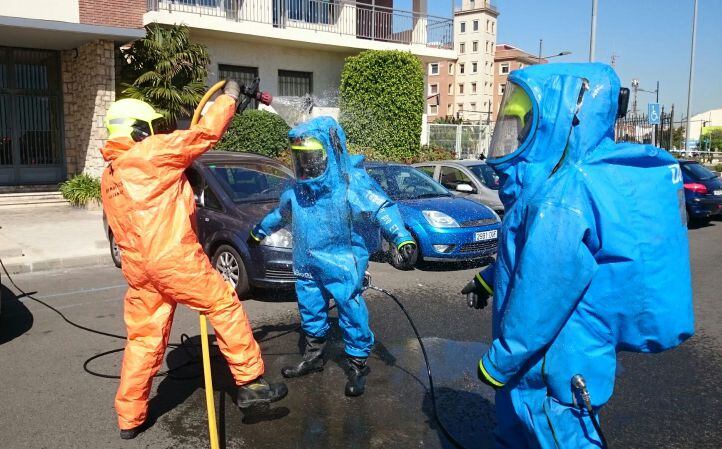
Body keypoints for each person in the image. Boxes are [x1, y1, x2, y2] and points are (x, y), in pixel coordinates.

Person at [461, 63, 694, 448]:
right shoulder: (556, 184)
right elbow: (529, 260)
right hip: (549, 365)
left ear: (558, 118)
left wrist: (499, 361)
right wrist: (488, 278)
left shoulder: (561, 195)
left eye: (524, 123)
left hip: (548, 369)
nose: (514, 133)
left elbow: (542, 293)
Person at [101, 82, 287, 440]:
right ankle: (250, 383)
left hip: (139, 269)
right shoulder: (151, 153)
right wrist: (229, 96)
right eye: (150, 127)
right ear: (140, 130)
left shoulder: (110, 176)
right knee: (223, 305)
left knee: (142, 339)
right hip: (173, 259)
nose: (156, 132)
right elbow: (204, 133)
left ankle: (130, 417)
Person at [250, 117, 417, 396]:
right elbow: (280, 215)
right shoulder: (297, 192)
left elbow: (382, 209)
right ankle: (314, 358)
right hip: (306, 264)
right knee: (310, 309)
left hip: (341, 264)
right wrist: (259, 231)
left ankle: (357, 364)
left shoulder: (350, 185)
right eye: (300, 159)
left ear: (330, 152)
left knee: (350, 311)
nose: (305, 165)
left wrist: (402, 238)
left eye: (311, 158)